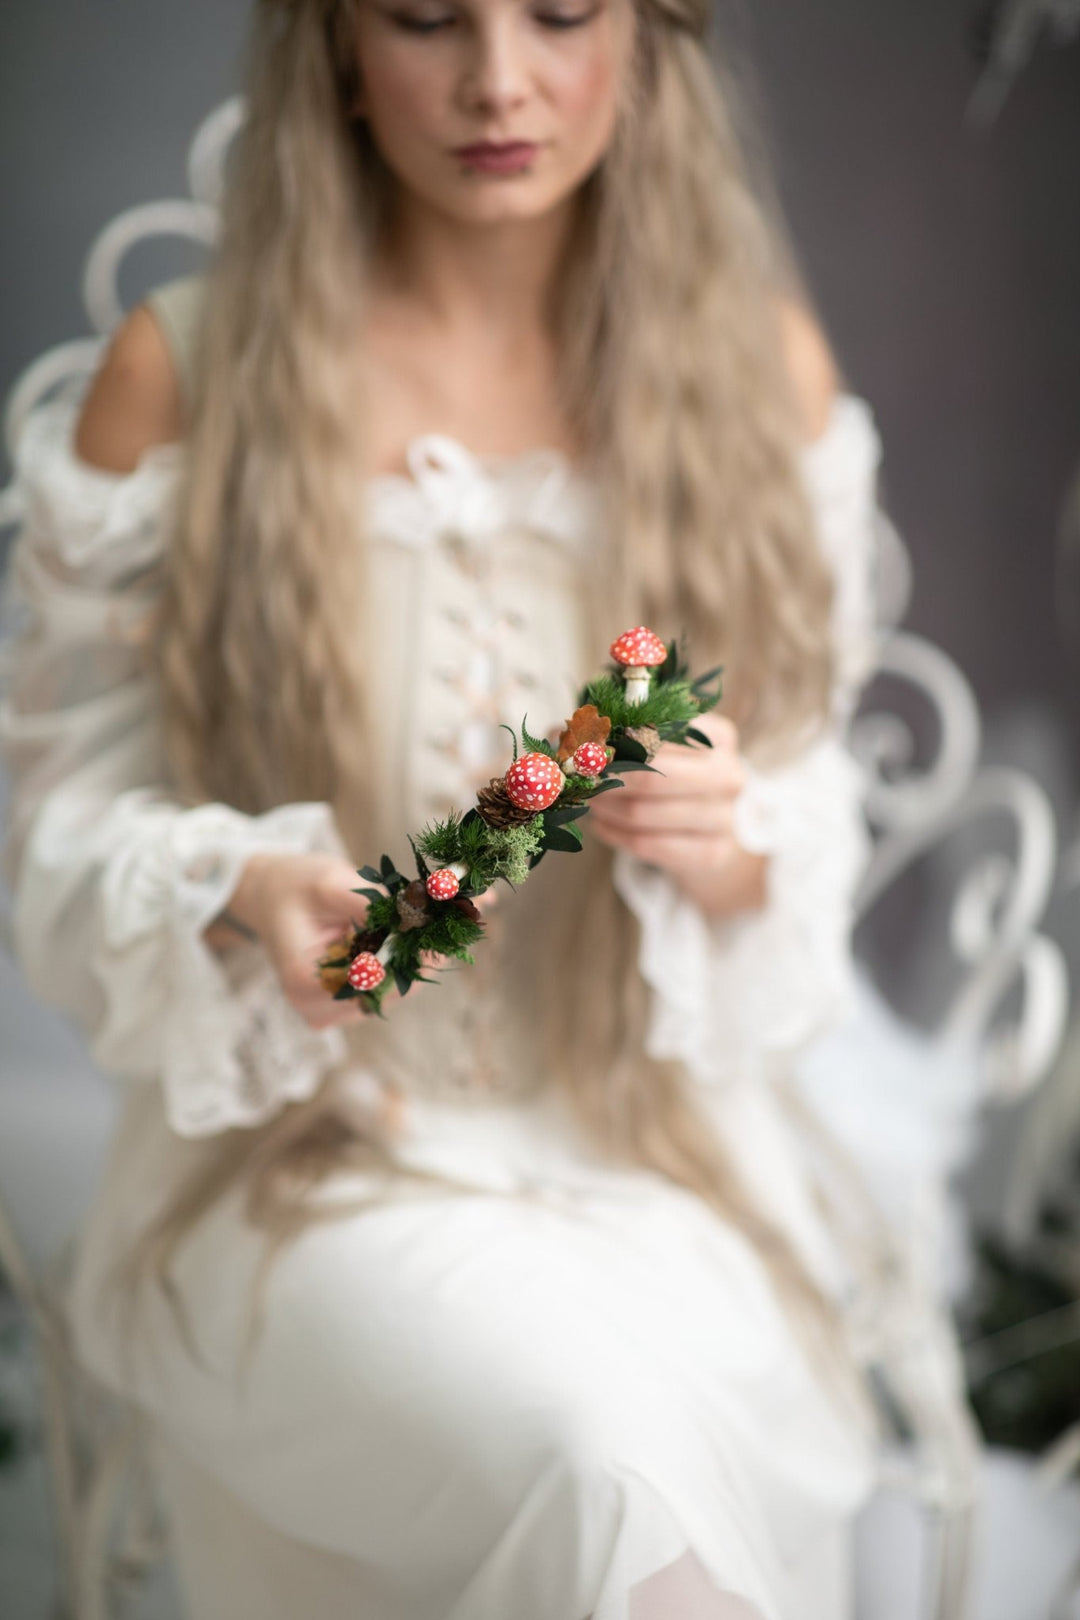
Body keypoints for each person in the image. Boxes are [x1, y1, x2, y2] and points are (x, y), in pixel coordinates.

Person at [0, 0, 909, 1614]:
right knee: (597, 1452)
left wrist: (739, 844)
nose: (501, 79)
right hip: (311, 1171)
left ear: (650, 35)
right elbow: (52, 830)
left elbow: (815, 793)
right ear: (339, 44)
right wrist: (237, 889)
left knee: (669, 1452)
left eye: (562, 13)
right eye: (428, 17)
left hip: (662, 1166)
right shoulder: (182, 377)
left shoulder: (752, 371)